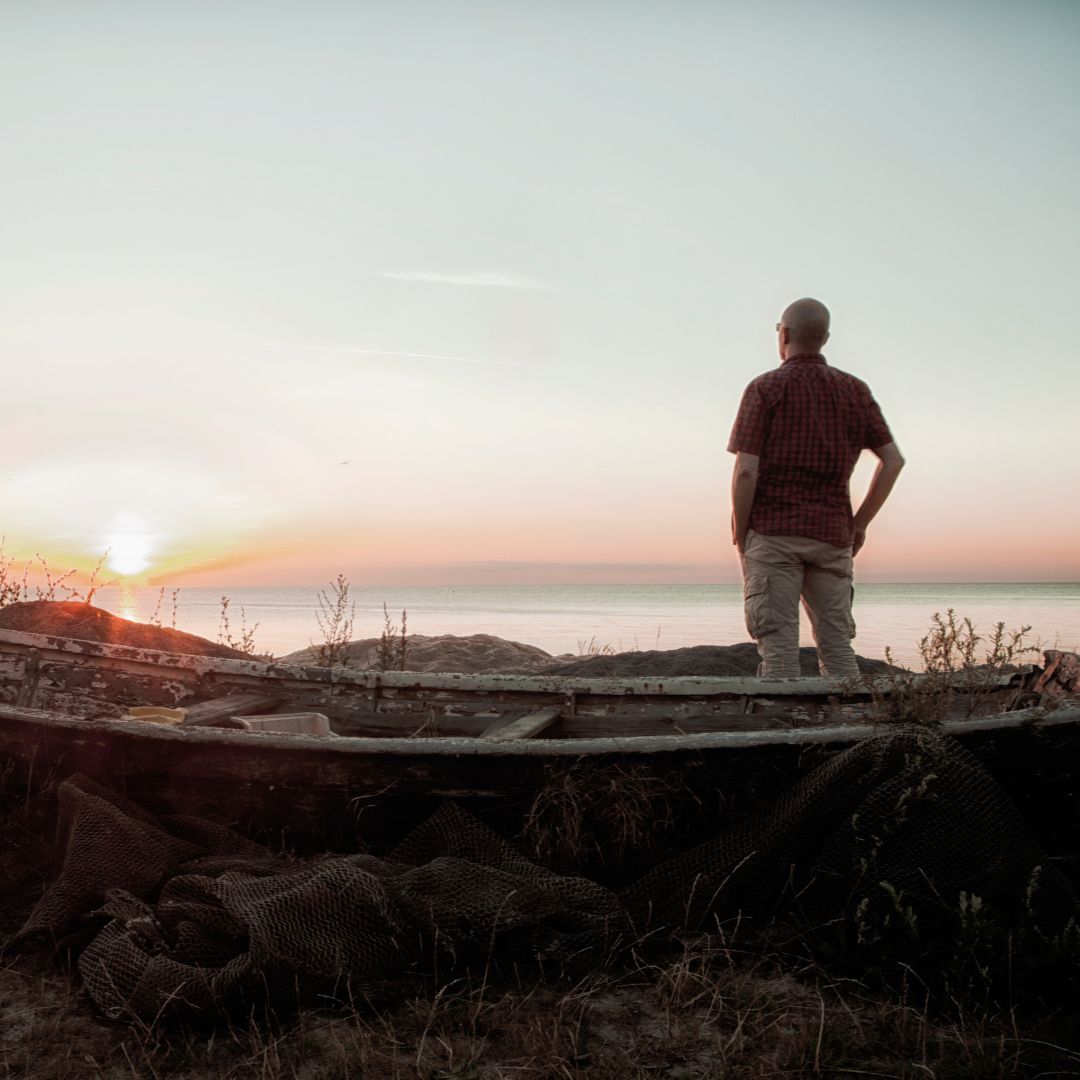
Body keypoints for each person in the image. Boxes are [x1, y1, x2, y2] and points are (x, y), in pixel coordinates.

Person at [727, 298, 904, 677]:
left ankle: (782, 733)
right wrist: (860, 523)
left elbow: (746, 470)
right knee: (839, 650)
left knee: (778, 654)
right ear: (824, 338)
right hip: (833, 535)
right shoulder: (855, 390)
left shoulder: (765, 388)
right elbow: (893, 461)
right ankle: (848, 730)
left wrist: (740, 530)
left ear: (784, 334)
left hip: (773, 533)